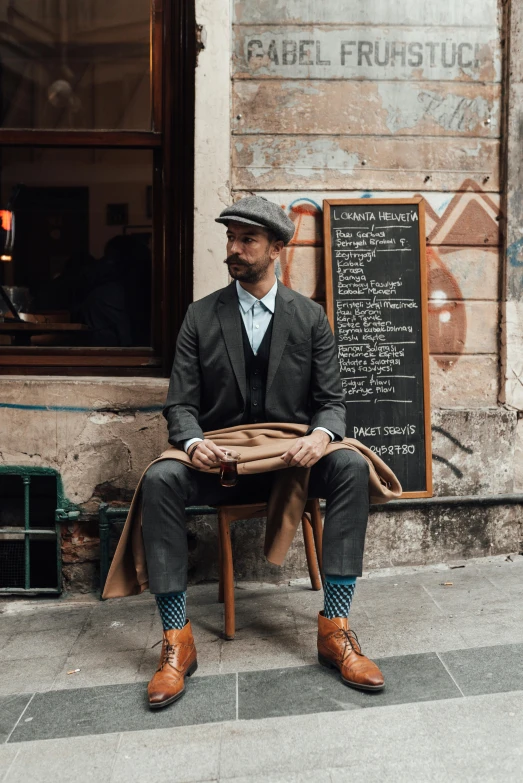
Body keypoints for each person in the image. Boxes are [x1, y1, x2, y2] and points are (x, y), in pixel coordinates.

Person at [142, 195, 385, 710]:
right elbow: (180, 405)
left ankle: (335, 629)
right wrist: (192, 443)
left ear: (276, 247)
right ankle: (176, 641)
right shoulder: (200, 316)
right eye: (230, 238)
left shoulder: (310, 317)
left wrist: (321, 436)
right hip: (223, 463)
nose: (234, 248)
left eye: (246, 239)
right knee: (161, 479)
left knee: (348, 463)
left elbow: (331, 403)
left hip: (291, 464)